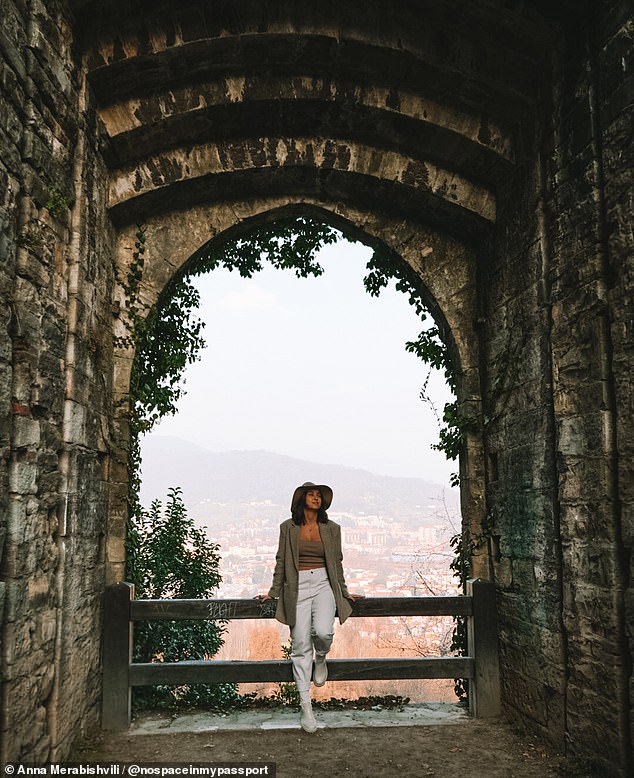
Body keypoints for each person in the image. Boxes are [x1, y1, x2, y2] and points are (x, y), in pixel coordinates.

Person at [256, 481, 363, 733]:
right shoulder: (288, 528)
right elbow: (281, 561)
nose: (316, 498)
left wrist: (345, 592)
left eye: (319, 495)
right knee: (300, 645)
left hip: (324, 583)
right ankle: (306, 707)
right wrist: (273, 592)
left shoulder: (332, 528)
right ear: (301, 499)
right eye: (311, 494)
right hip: (297, 587)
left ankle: (322, 657)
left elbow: (337, 563)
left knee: (324, 633)